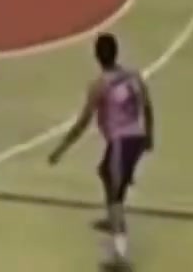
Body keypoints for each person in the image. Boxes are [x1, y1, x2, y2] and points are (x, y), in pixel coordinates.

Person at [48, 34, 153, 270]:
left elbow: (82, 123)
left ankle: (120, 255)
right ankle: (112, 220)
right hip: (135, 138)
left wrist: (60, 149)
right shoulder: (133, 76)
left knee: (116, 196)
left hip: (120, 143)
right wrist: (149, 136)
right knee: (105, 172)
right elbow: (147, 106)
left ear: (97, 56)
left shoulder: (100, 85)